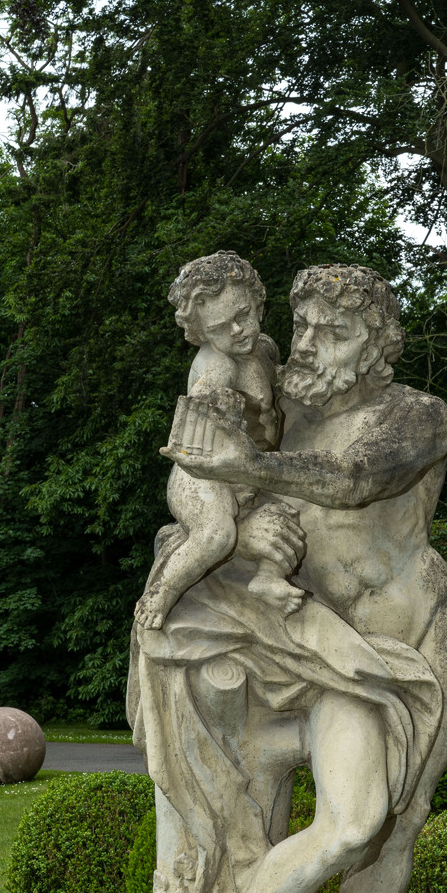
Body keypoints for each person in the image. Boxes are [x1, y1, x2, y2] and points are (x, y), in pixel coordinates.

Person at [140, 263, 447, 893]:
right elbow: (210, 480)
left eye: (338, 331)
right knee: (357, 824)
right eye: (310, 327)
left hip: (416, 636)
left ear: (379, 344)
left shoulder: (416, 415)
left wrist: (242, 468)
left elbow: (350, 482)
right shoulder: (283, 405)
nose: (314, 345)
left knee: (401, 821)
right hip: (325, 649)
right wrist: (246, 524)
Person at [133, 250, 303, 631]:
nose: (238, 331)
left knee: (298, 510)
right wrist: (215, 399)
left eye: (243, 316)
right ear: (200, 333)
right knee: (215, 534)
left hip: (251, 469)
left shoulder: (264, 348)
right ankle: (160, 593)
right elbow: (206, 393)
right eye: (220, 328)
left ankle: (266, 577)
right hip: (202, 472)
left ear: (258, 303)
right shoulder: (218, 363)